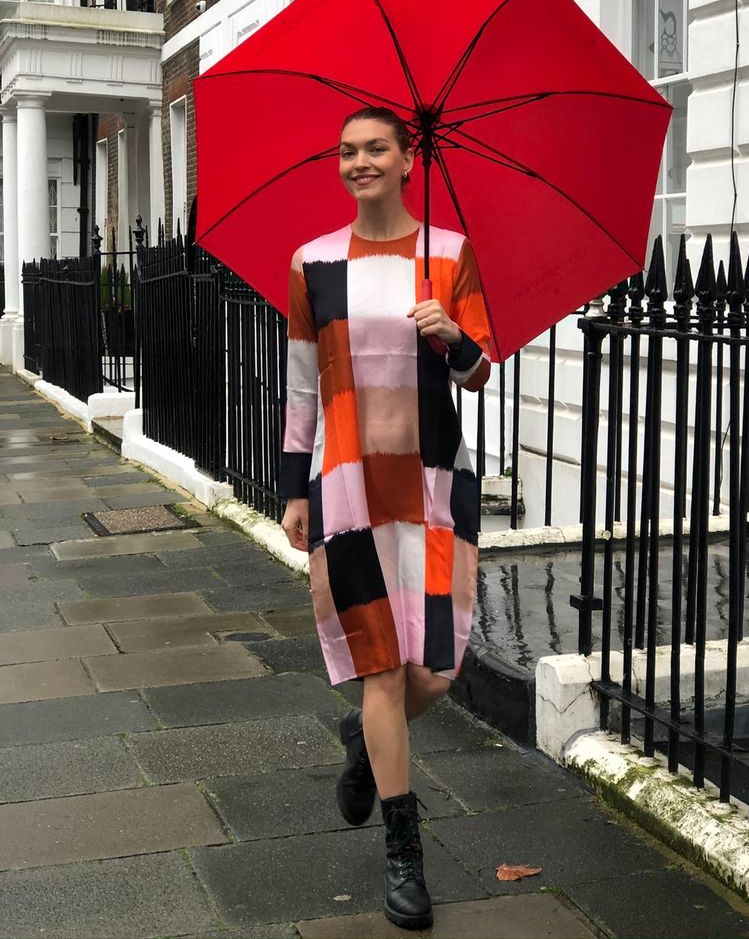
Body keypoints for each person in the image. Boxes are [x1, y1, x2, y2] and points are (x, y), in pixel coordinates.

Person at [280, 105, 491, 931]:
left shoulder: (450, 253)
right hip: (348, 487)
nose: (359, 161)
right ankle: (406, 858)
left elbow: (479, 370)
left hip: (432, 484)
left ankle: (367, 745)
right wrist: (294, 489)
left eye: (375, 148)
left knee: (434, 669)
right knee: (381, 667)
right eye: (347, 151)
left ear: (409, 159)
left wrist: (452, 336)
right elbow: (302, 387)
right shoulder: (314, 263)